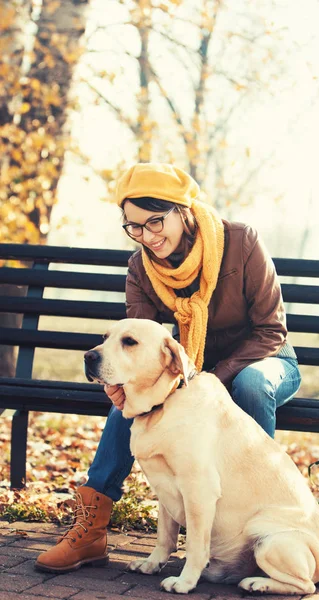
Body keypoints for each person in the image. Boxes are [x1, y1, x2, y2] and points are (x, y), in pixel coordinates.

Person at [35, 162, 301, 573]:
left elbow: (271, 329)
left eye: (155, 221)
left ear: (183, 210)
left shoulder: (240, 242)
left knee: (249, 385)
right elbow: (135, 347)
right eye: (134, 227)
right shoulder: (141, 268)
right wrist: (121, 385)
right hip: (188, 372)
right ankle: (92, 528)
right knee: (131, 401)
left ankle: (240, 519)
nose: (148, 236)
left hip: (263, 360)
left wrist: (214, 378)